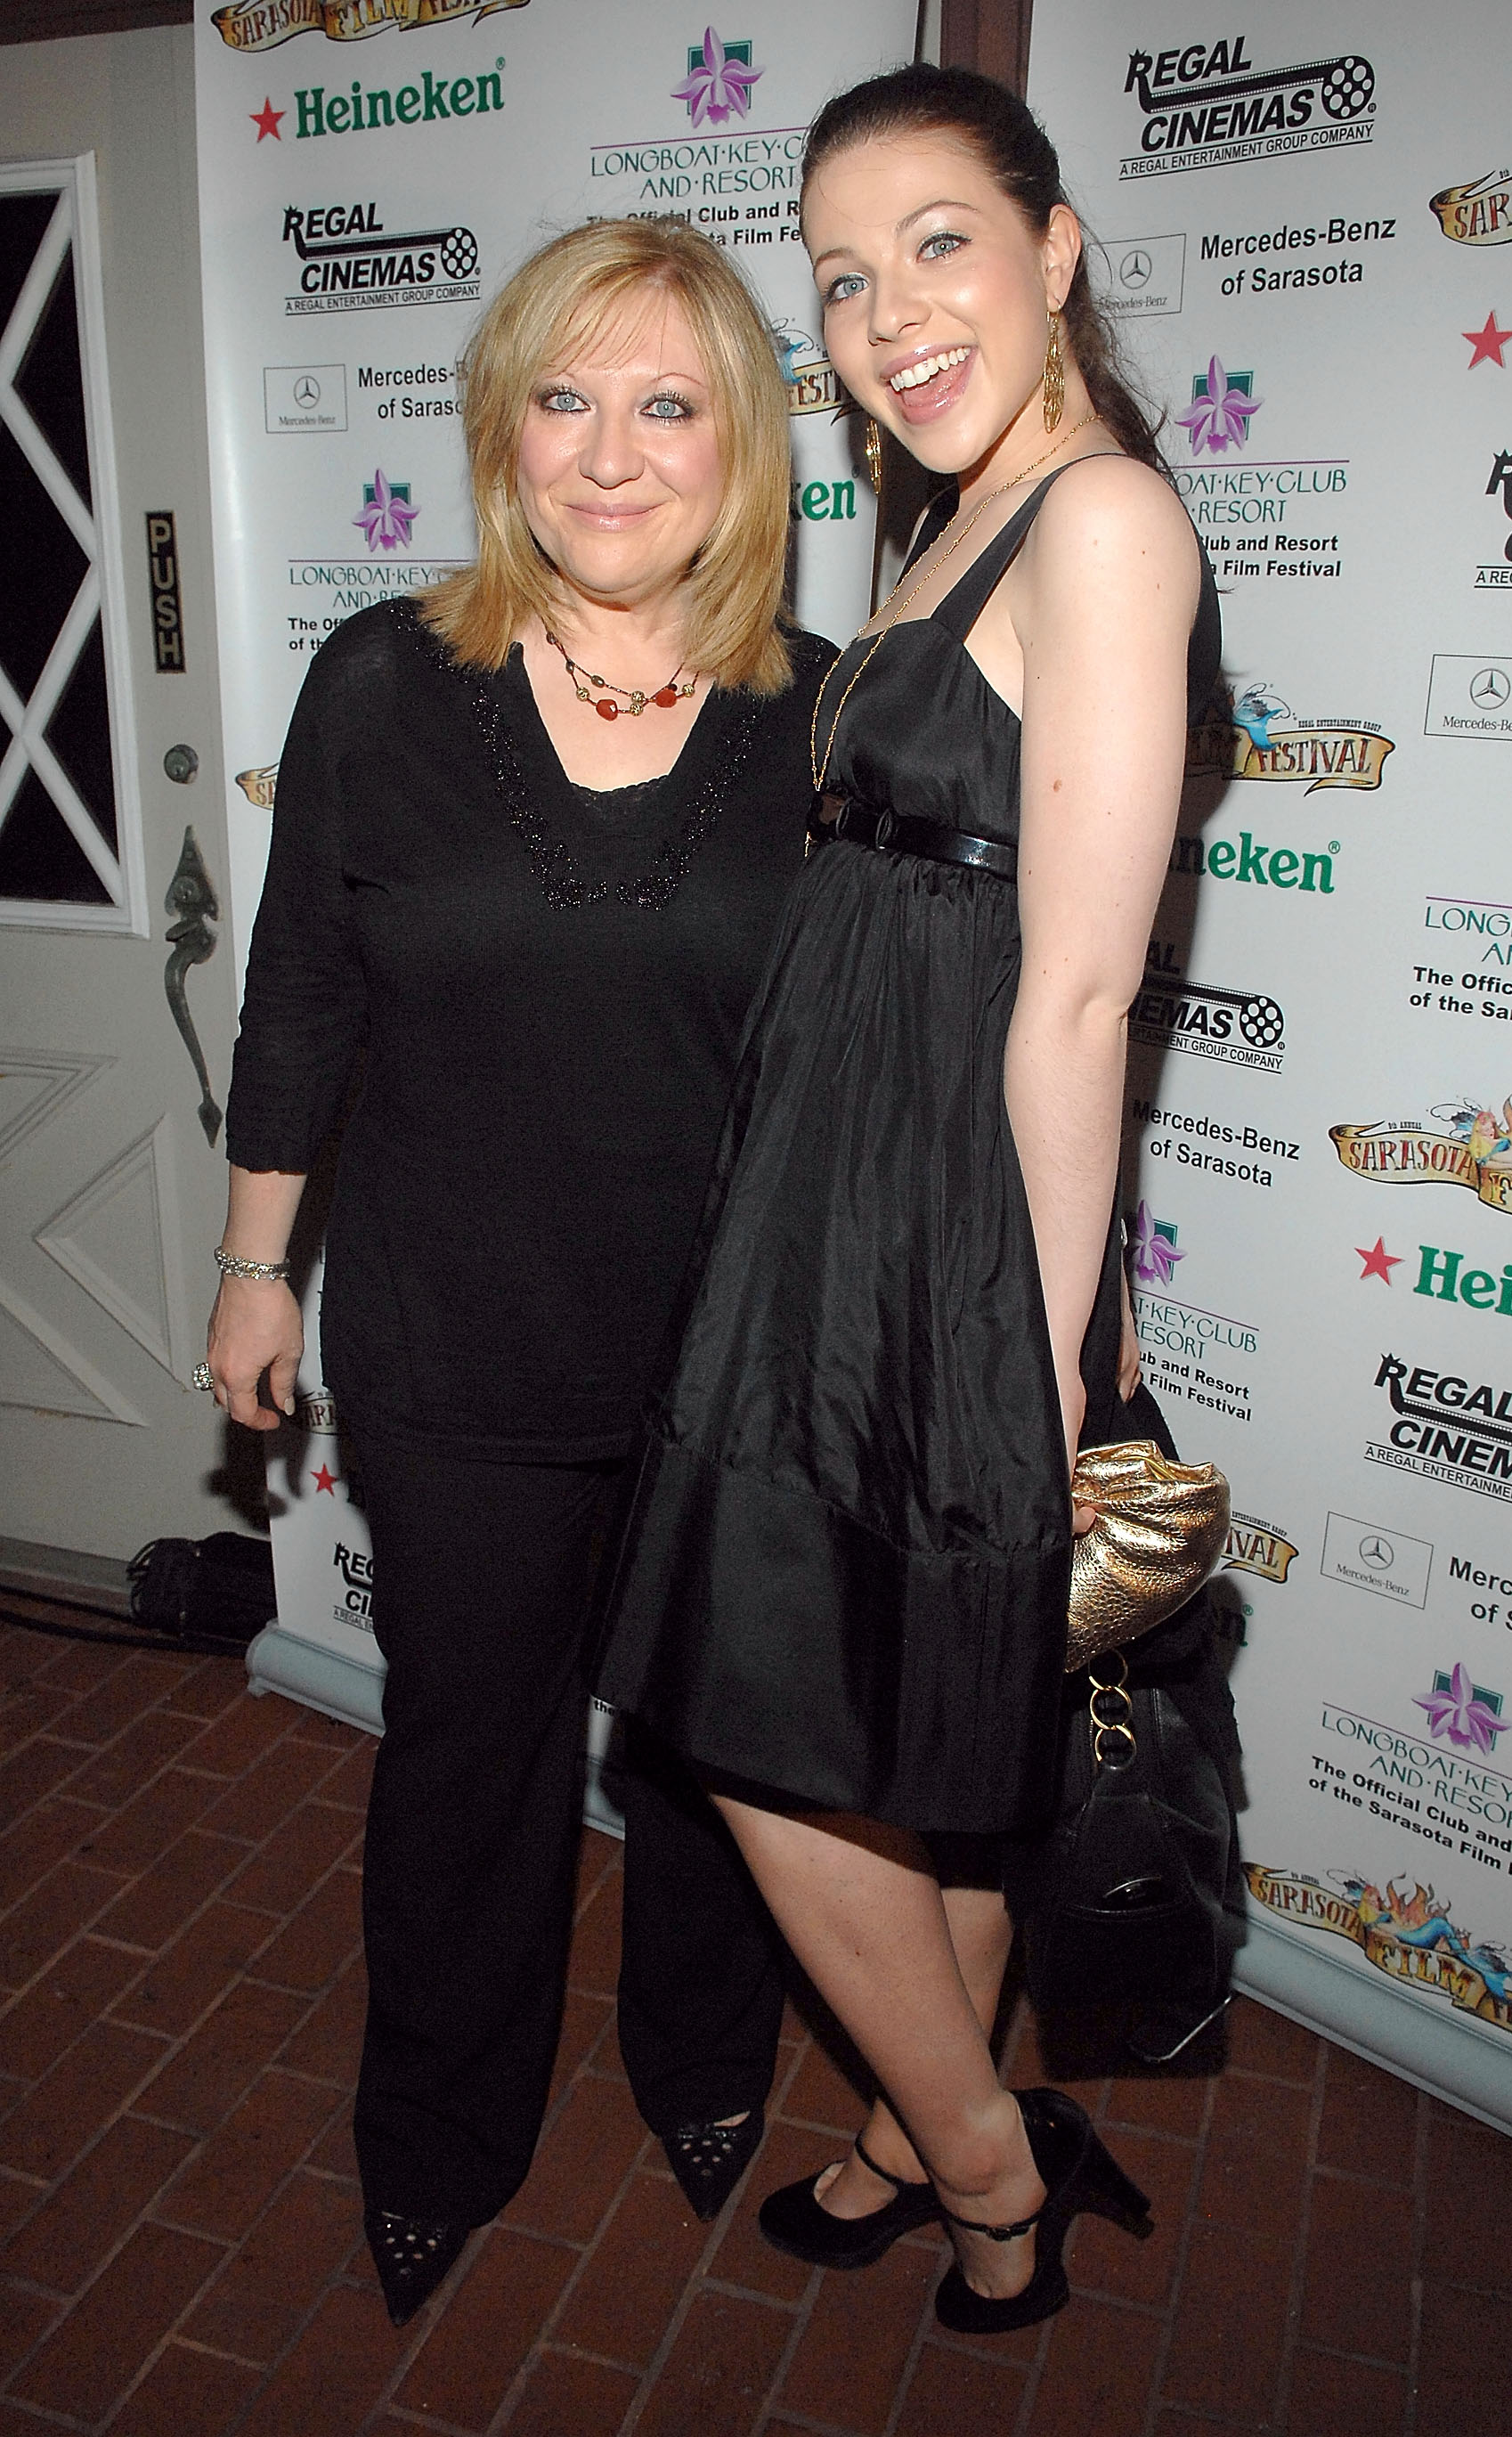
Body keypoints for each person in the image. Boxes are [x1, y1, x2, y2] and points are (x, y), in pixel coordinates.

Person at [595, 65, 1222, 2337]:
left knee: (760, 1715)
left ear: (1052, 250)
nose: (885, 316)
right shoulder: (941, 513)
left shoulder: (1106, 528)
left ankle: (984, 2167)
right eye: (841, 280)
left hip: (947, 1223)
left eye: (936, 244)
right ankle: (913, 2120)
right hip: (831, 1176)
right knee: (895, 1738)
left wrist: (1051, 1366)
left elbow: (1071, 998)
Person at [208, 216, 835, 2325]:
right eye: (563, 399)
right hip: (461, 1343)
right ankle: (437, 2135)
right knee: (466, 1760)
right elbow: (298, 988)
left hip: (730, 1364)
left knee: (701, 1761)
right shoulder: (387, 681)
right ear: (502, 431)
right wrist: (254, 1267)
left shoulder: (822, 726)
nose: (609, 453)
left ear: (743, 445)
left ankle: (701, 2062)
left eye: (666, 403)